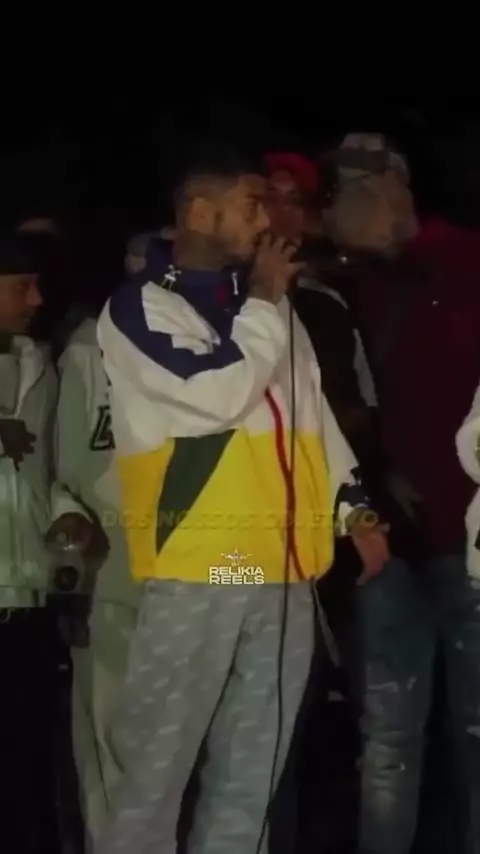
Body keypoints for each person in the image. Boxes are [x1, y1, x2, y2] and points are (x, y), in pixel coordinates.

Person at [94, 147, 390, 854]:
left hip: (282, 568)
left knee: (253, 775)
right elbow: (216, 395)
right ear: (201, 212)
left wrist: (353, 508)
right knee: (156, 771)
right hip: (207, 567)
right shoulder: (142, 306)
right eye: (252, 205)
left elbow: (309, 412)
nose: (268, 221)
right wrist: (262, 304)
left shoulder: (265, 306)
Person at [335, 133, 480, 854]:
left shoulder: (466, 263)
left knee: (473, 732)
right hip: (387, 544)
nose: (349, 205)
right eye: (343, 191)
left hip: (468, 541)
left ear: (397, 185)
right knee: (388, 738)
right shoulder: (350, 288)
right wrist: (377, 473)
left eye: (361, 188)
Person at [0, 231, 94, 852]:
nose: (36, 300)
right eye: (20, 287)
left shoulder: (41, 369)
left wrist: (68, 514)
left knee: (27, 769)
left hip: (27, 601)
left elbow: (52, 470)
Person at [56, 311, 141, 850]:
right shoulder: (90, 348)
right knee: (111, 745)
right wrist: (72, 580)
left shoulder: (231, 336)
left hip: (203, 587)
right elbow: (65, 474)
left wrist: (244, 576)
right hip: (111, 584)